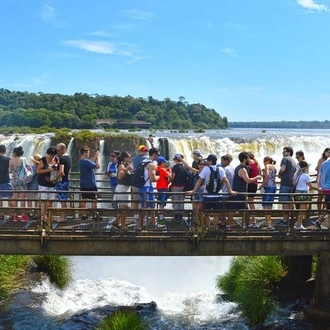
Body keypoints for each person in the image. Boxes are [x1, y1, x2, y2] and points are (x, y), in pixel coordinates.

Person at [190, 154, 236, 229]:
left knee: (206, 214)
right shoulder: (220, 169)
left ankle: (209, 228)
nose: (206, 162)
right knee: (216, 214)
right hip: (218, 195)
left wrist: (193, 190)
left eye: (207, 160)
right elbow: (226, 181)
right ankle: (214, 228)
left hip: (207, 195)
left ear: (210, 161)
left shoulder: (206, 169)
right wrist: (230, 190)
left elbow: (199, 180)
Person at [230, 152, 263, 229]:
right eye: (248, 158)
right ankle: (230, 224)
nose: (249, 160)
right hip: (239, 192)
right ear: (245, 159)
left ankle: (245, 224)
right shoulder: (242, 169)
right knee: (234, 210)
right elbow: (247, 180)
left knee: (244, 210)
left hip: (242, 191)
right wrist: (256, 177)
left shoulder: (245, 167)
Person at [178, 156, 205, 226]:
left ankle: (201, 222)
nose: (201, 166)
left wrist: (205, 186)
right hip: (196, 193)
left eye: (203, 164)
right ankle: (197, 222)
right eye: (200, 164)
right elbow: (188, 166)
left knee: (201, 210)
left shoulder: (208, 172)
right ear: (198, 165)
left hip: (203, 194)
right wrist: (182, 160)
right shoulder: (196, 172)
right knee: (195, 209)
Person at [138, 147, 160, 229]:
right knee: (145, 207)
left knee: (151, 206)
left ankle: (154, 223)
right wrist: (159, 177)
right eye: (158, 155)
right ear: (154, 154)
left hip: (142, 187)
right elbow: (152, 179)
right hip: (147, 188)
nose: (158, 156)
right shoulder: (151, 164)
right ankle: (139, 226)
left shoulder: (144, 161)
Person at [293, 161, 318, 230]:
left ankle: (298, 222)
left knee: (299, 209)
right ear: (306, 167)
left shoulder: (296, 174)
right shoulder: (306, 175)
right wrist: (318, 189)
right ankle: (299, 225)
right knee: (302, 210)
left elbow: (293, 183)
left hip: (297, 193)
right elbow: (310, 186)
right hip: (303, 193)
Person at [37, 146, 59, 223]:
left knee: (51, 200)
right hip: (43, 183)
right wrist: (48, 170)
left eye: (53, 155)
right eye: (50, 155)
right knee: (43, 201)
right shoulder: (43, 160)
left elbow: (57, 170)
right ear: (48, 154)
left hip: (52, 183)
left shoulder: (56, 160)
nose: (52, 156)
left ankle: (49, 216)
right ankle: (44, 217)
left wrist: (55, 179)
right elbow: (38, 171)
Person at [79, 146, 100, 220]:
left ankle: (83, 214)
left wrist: (95, 156)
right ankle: (94, 215)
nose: (89, 154)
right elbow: (98, 166)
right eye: (87, 152)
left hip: (83, 184)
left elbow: (90, 161)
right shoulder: (86, 161)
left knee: (84, 199)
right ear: (84, 153)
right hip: (91, 184)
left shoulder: (81, 161)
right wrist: (98, 157)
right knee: (94, 199)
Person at [277, 147, 297, 226]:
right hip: (292, 183)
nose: (283, 152)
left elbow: (283, 169)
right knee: (290, 201)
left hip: (285, 183)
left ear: (289, 152)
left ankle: (285, 220)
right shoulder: (293, 160)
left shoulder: (284, 159)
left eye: (284, 151)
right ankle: (291, 218)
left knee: (284, 202)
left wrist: (279, 174)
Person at [112, 152, 132, 230]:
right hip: (122, 188)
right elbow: (120, 176)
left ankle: (116, 222)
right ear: (125, 158)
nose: (130, 159)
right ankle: (123, 226)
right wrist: (127, 169)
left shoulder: (126, 165)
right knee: (124, 207)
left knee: (125, 208)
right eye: (129, 157)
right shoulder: (121, 166)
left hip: (126, 187)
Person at [9, 146, 29, 221]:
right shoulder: (24, 159)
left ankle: (15, 216)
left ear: (14, 153)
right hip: (23, 181)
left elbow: (10, 170)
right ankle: (23, 216)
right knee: (23, 199)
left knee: (15, 199)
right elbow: (27, 169)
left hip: (14, 181)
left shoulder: (11, 161)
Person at [259, 156, 277, 230]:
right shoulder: (274, 167)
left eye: (264, 161)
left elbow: (267, 175)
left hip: (268, 187)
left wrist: (262, 184)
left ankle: (267, 222)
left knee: (265, 204)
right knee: (270, 204)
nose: (263, 163)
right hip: (273, 186)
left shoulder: (267, 166)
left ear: (267, 161)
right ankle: (269, 220)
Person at [55, 143, 72, 221]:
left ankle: (63, 217)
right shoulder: (68, 157)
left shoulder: (62, 158)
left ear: (63, 149)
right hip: (66, 180)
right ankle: (64, 216)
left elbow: (61, 171)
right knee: (64, 200)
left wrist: (55, 178)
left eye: (58, 150)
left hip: (62, 182)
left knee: (62, 200)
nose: (57, 152)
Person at [131, 145, 148, 221]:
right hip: (143, 182)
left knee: (135, 200)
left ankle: (135, 215)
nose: (144, 152)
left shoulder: (134, 159)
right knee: (143, 201)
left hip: (135, 182)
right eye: (144, 151)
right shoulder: (146, 159)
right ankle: (143, 217)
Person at [169, 153, 187, 221]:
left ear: (176, 160)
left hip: (175, 186)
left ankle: (176, 215)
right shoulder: (185, 167)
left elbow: (173, 177)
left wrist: (169, 181)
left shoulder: (175, 167)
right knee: (181, 201)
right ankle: (181, 215)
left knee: (175, 200)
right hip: (183, 187)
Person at [316, 149, 330, 229]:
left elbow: (319, 176)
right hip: (329, 188)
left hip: (324, 188)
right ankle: (319, 221)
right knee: (328, 207)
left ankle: (319, 220)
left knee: (328, 206)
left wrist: (319, 187)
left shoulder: (324, 163)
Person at [247, 152, 261, 226]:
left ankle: (250, 221)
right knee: (251, 202)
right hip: (255, 184)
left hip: (249, 183)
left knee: (248, 202)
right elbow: (260, 173)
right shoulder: (257, 163)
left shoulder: (249, 163)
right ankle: (253, 219)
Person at [156, 156, 171, 222]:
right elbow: (169, 176)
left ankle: (160, 216)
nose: (165, 163)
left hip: (159, 187)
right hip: (163, 187)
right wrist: (170, 170)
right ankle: (161, 217)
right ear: (162, 162)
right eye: (164, 162)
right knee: (162, 202)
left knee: (160, 202)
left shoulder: (157, 168)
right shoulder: (162, 169)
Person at [26, 153, 42, 220]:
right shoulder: (42, 168)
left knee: (30, 200)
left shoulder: (32, 168)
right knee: (37, 200)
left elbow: (29, 177)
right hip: (39, 186)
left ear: (34, 161)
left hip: (31, 186)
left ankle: (31, 213)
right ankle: (37, 213)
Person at [0, 145, 13, 219]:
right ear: (4, 151)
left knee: (0, 199)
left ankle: (1, 214)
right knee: (9, 198)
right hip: (6, 180)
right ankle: (11, 214)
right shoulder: (8, 159)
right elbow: (11, 169)